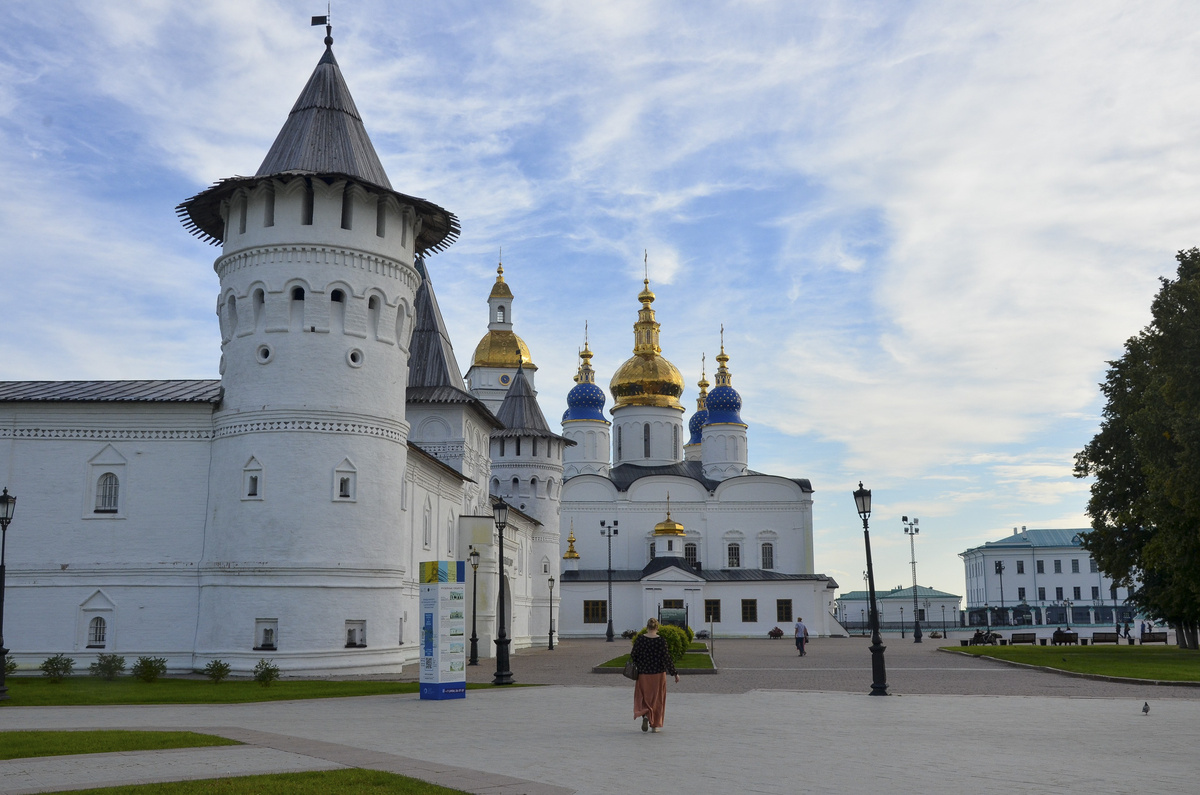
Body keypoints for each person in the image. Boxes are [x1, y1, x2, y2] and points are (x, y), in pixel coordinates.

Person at [631, 617, 679, 733]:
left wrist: (641, 663)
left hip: (643, 674)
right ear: (657, 627)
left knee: (643, 697)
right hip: (658, 674)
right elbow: (667, 658)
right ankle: (655, 725)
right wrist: (674, 673)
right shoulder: (661, 640)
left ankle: (646, 714)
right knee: (658, 699)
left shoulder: (640, 640)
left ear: (647, 627)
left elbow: (633, 655)